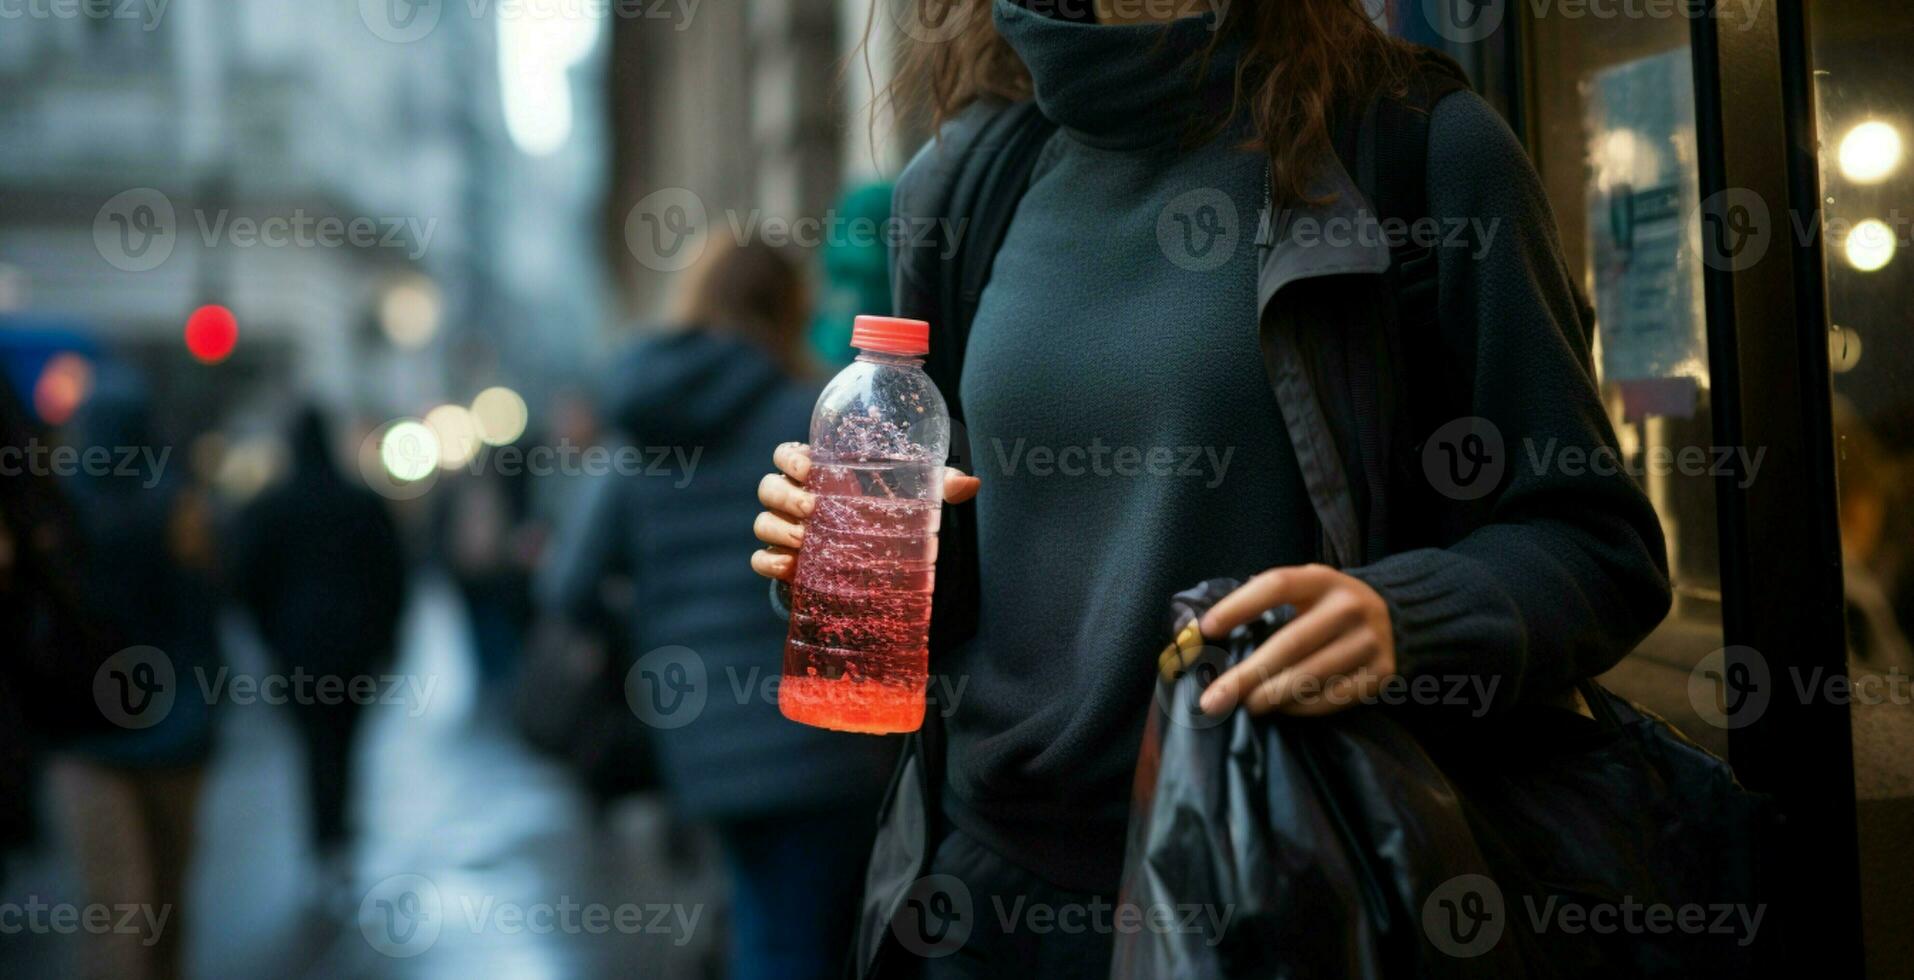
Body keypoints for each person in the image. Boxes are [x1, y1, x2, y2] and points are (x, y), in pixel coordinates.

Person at [752, 1, 1674, 976]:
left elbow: (1597, 543)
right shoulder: (963, 184)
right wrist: (845, 555)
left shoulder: (1419, 147)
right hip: (985, 904)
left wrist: (1407, 617)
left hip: (1286, 902)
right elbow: (970, 574)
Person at [541, 237, 899, 980]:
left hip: (699, 732)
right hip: (823, 738)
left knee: (765, 922)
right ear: (788, 307)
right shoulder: (818, 410)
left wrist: (645, 626)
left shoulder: (640, 432)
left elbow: (569, 584)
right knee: (813, 938)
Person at [50, 369, 221, 980]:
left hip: (85, 734)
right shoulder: (180, 508)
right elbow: (205, 618)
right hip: (177, 728)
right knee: (169, 904)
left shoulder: (62, 514)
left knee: (114, 908)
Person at [230, 404, 408, 908]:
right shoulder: (360, 503)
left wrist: (271, 636)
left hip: (298, 651)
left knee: (313, 747)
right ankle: (341, 837)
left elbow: (247, 579)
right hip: (354, 649)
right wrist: (385, 637)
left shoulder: (272, 506)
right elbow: (392, 575)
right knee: (345, 745)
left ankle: (323, 841)